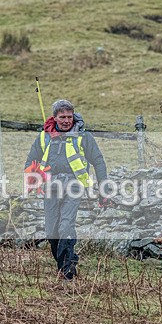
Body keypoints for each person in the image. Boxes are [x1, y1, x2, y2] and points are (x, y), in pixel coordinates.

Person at [24, 99, 108, 280]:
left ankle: (68, 270)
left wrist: (104, 189)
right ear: (55, 118)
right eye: (62, 117)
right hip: (50, 187)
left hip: (74, 187)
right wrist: (31, 179)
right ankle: (63, 264)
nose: (66, 120)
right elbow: (31, 161)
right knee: (51, 231)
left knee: (66, 226)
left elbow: (99, 162)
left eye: (69, 117)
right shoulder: (44, 137)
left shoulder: (84, 137)